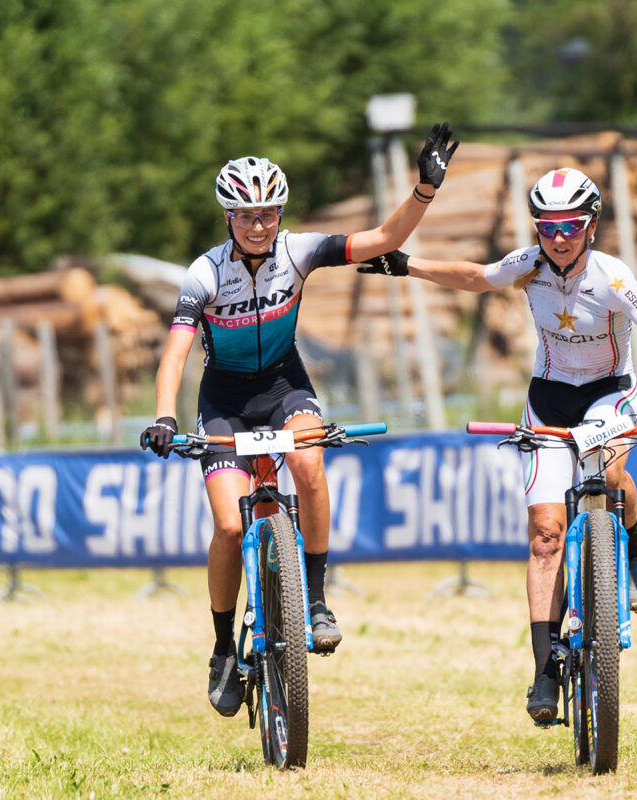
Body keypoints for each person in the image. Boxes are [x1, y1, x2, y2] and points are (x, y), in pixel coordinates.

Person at [358, 167, 637, 723]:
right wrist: (407, 265)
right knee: (546, 535)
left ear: (591, 226)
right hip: (549, 400)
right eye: (547, 227)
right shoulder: (530, 266)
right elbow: (477, 278)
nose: (558, 238)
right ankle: (545, 669)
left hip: (609, 397)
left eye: (570, 226)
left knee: (614, 475)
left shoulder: (614, 277)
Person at [140, 123, 459, 718]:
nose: (258, 226)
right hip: (225, 401)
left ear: (281, 214)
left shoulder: (300, 250)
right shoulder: (203, 274)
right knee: (231, 529)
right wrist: (164, 415)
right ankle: (221, 650)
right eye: (245, 216)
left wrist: (424, 189)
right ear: (228, 218)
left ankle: (314, 598)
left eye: (267, 214)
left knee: (309, 464)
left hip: (286, 385)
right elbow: (176, 352)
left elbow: (384, 237)